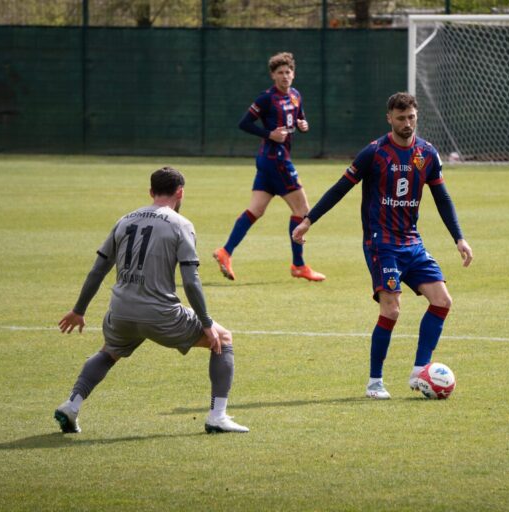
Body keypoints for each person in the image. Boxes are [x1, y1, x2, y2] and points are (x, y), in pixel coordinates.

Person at [292, 92, 473, 399]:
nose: (407, 123)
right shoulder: (374, 153)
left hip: (412, 242)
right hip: (382, 243)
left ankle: (420, 370)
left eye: (411, 117)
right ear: (389, 118)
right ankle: (375, 382)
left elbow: (442, 198)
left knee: (442, 301)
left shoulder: (426, 154)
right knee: (392, 309)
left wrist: (459, 237)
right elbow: (341, 188)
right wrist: (309, 219)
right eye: (401, 118)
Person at [55, 167, 248, 434]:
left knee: (109, 352)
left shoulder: (124, 221)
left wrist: (79, 310)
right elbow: (191, 281)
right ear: (180, 192)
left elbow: (98, 269)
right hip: (161, 314)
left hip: (121, 311)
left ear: (150, 192)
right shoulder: (181, 224)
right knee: (223, 339)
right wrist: (206, 323)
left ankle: (72, 404)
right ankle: (218, 416)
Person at [213, 51, 325, 282]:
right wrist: (269, 134)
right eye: (280, 72)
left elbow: (300, 120)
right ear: (273, 76)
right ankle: (299, 265)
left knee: (256, 210)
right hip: (276, 160)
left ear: (293, 74)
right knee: (302, 210)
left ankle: (225, 252)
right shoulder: (266, 98)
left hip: (270, 161)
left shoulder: (295, 96)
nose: (285, 76)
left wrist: (304, 125)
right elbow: (244, 123)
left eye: (288, 72)